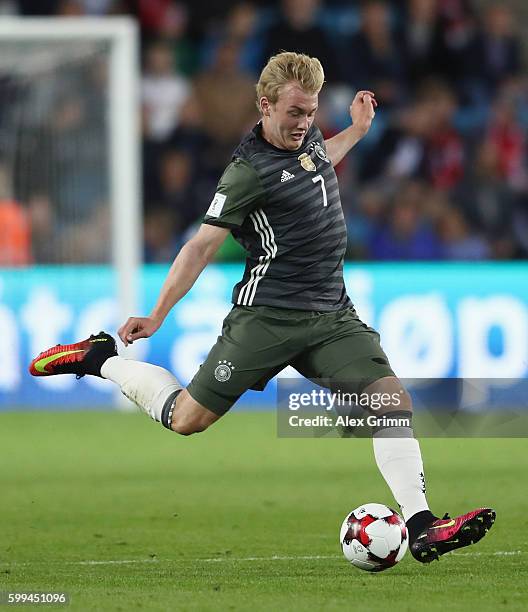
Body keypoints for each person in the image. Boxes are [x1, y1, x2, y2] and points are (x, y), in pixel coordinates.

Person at [29, 51, 494, 564]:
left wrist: (357, 131)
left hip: (331, 316)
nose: (305, 123)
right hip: (266, 318)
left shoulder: (308, 138)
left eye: (312, 112)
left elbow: (319, 159)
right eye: (294, 113)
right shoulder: (246, 172)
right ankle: (99, 357)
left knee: (390, 402)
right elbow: (199, 247)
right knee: (187, 419)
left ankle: (423, 526)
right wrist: (157, 314)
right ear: (265, 105)